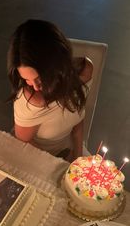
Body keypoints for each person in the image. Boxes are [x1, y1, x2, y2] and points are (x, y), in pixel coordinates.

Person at [7, 19, 93, 162]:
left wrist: (77, 157)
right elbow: (23, 142)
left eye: (39, 79)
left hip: (67, 147)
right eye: (27, 80)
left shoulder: (84, 72)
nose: (34, 87)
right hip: (35, 155)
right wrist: (57, 164)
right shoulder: (30, 100)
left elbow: (78, 117)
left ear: (56, 64)